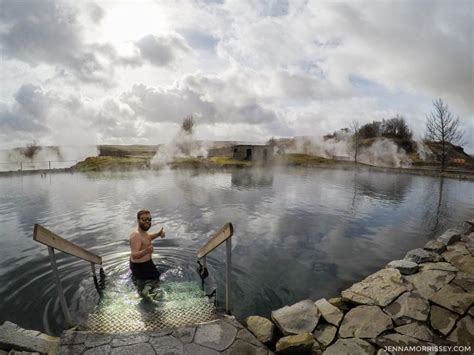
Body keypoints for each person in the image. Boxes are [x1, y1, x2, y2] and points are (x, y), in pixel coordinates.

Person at [129, 209, 165, 281]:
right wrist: (146, 251)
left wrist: (158, 234)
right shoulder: (136, 235)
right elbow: (134, 255)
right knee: (155, 284)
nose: (147, 221)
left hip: (146, 265)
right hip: (141, 267)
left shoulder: (142, 232)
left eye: (149, 219)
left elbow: (147, 238)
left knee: (156, 280)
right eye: (144, 219)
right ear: (138, 220)